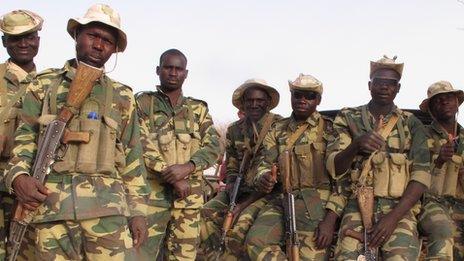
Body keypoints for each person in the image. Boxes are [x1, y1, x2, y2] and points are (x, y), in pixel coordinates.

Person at [3, 4, 149, 260]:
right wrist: (18, 178)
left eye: (107, 40)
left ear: (114, 48)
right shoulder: (44, 85)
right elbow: (24, 139)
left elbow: (133, 158)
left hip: (107, 214)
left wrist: (138, 212)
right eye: (92, 35)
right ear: (76, 36)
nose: (98, 45)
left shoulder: (123, 96)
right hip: (50, 211)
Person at [327, 55, 430, 260]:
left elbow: (421, 175)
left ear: (398, 88)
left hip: (399, 207)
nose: (384, 87)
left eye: (390, 83)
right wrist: (356, 145)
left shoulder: (411, 123)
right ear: (369, 85)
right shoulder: (348, 117)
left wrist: (393, 218)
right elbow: (335, 168)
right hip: (357, 203)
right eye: (379, 82)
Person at [246, 74, 345, 260]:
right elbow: (264, 163)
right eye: (297, 95)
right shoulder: (277, 129)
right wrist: (264, 177)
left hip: (317, 203)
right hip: (283, 198)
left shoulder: (331, 130)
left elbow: (343, 180)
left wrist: (331, 218)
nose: (302, 100)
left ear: (318, 100)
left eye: (309, 96)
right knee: (256, 242)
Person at [136, 48, 221, 260]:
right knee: (141, 254)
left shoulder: (198, 109)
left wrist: (188, 167)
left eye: (178, 69)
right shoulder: (142, 103)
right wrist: (170, 175)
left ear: (186, 73)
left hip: (189, 202)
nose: (173, 73)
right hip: (151, 198)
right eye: (168, 67)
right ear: (158, 70)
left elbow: (213, 146)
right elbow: (139, 142)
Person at [199, 78, 282, 260]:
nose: (254, 104)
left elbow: (270, 177)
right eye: (249, 100)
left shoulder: (279, 127)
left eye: (259, 100)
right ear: (243, 103)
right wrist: (230, 189)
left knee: (239, 226)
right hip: (239, 190)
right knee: (203, 215)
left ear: (268, 102)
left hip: (266, 194)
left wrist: (240, 206)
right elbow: (232, 166)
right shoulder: (234, 130)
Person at [0, 9, 43, 261]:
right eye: (16, 38)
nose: (24, 43)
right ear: (4, 41)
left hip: (31, 189)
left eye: (29, 37)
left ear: (38, 39)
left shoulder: (50, 84)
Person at [417, 81, 464, 261]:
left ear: (457, 103)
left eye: (449, 98)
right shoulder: (421, 135)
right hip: (431, 202)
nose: (445, 102)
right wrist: (438, 162)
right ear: (431, 109)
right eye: (438, 100)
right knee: (443, 230)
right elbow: (411, 175)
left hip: (460, 203)